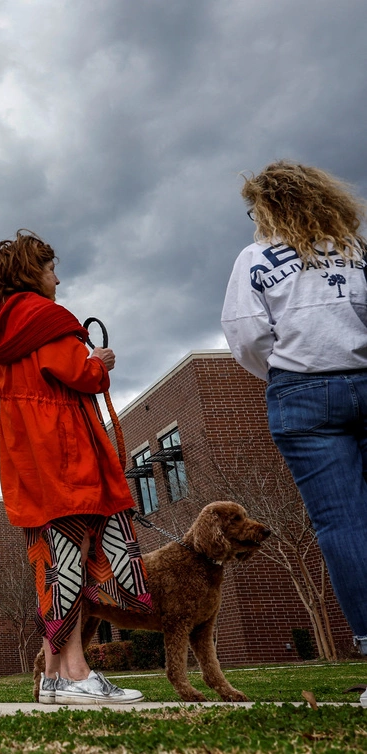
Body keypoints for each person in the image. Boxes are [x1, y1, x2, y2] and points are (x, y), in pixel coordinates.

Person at [0, 232, 148, 705]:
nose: (58, 279)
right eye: (51, 269)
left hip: (25, 454)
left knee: (54, 559)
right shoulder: (48, 318)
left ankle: (53, 676)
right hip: (64, 449)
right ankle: (76, 674)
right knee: (69, 558)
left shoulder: (0, 325)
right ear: (32, 272)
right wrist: (99, 361)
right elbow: (81, 375)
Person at [221, 161, 367, 707]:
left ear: (265, 208)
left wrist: (286, 372)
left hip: (303, 394)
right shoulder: (356, 251)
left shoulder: (256, 258)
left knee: (342, 525)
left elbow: (245, 335)